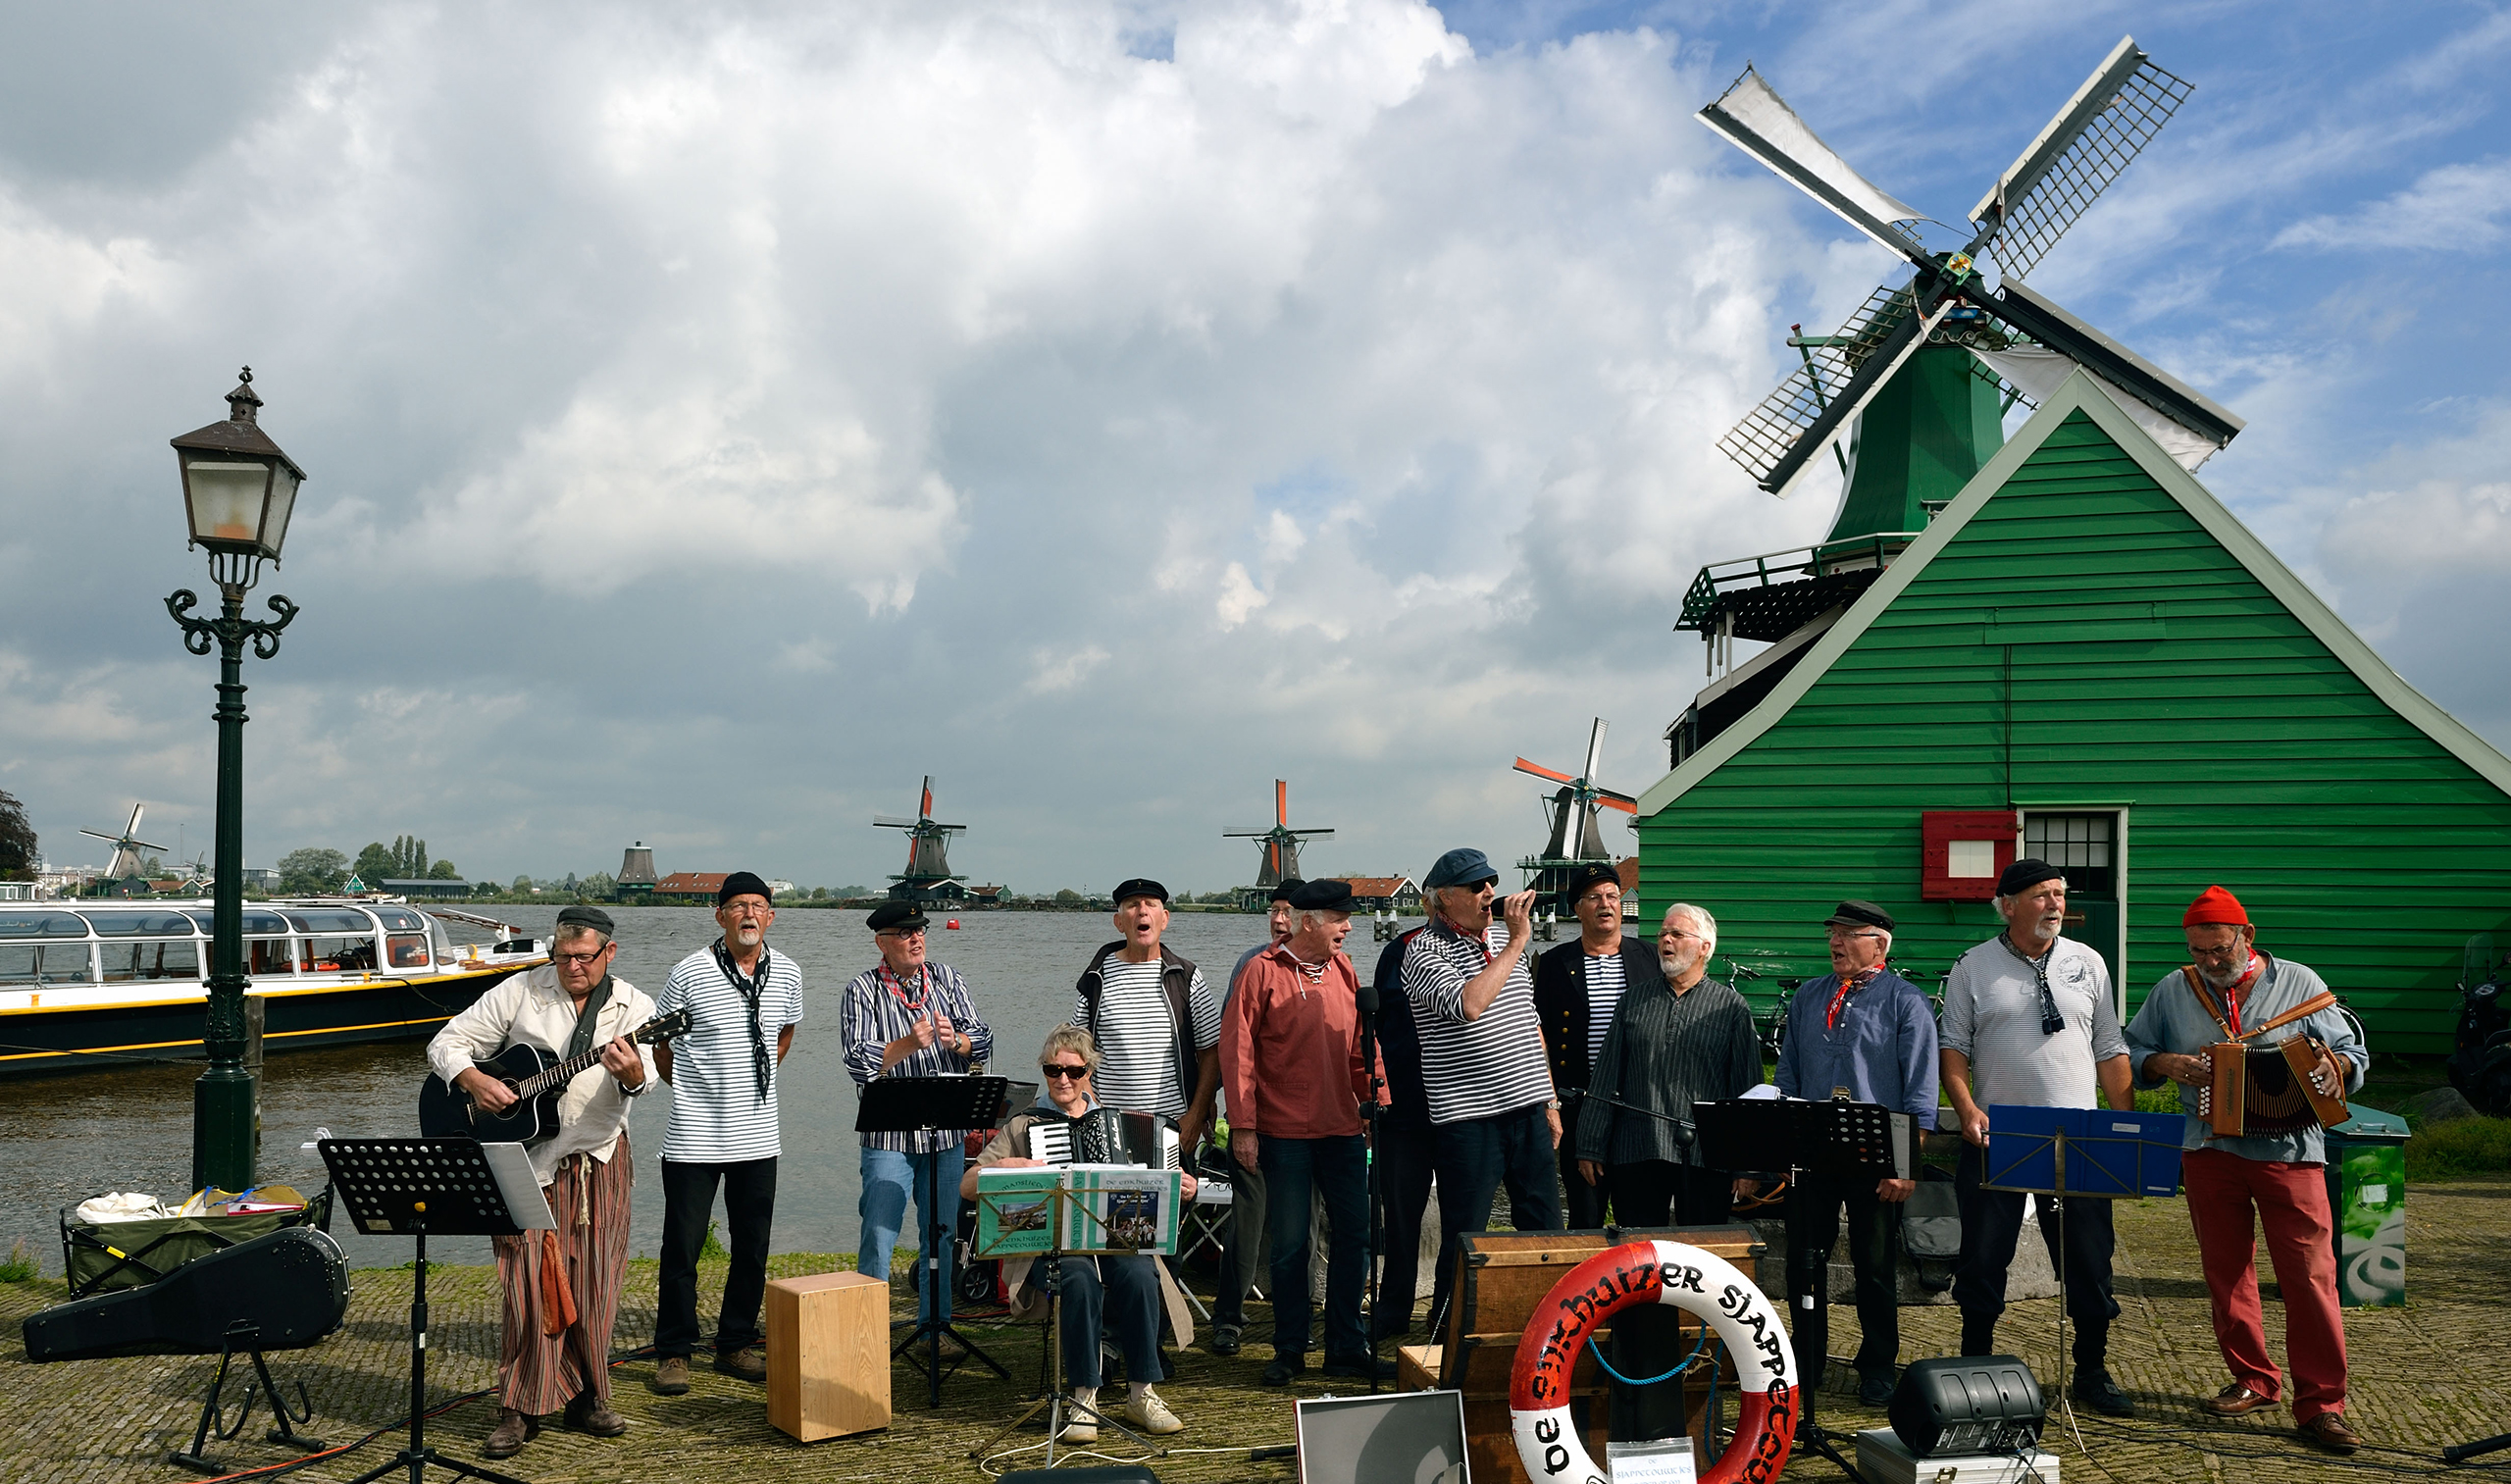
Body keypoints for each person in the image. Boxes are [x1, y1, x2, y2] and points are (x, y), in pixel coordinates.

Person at [2125, 887, 2367, 1456]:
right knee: (2226, 1271)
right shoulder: (2172, 989)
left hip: (2291, 1152)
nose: (2208, 962)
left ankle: (2322, 1404)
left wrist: (2337, 1072)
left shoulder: (2300, 984)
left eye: (2218, 949)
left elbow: (2352, 1054)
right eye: (2197, 951)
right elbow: (2131, 1047)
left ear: (2246, 936)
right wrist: (2165, 1063)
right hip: (2208, 1149)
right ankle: (2255, 1379)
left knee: (2310, 1277)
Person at [426, 905, 655, 1458]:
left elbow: (642, 1083)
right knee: (525, 1286)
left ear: (609, 953)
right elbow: (445, 1044)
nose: (572, 966)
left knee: (596, 1283)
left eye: (584, 957)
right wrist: (475, 1078)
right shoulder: (520, 990)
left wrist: (632, 1076)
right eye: (562, 956)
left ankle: (589, 1395)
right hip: (522, 1162)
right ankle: (519, 1406)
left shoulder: (636, 1006)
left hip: (596, 1159)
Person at [1939, 859, 2135, 1416]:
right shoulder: (1973, 967)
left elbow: (2109, 1046)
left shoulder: (2089, 962)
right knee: (1982, 1258)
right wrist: (1967, 1107)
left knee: (2091, 1261)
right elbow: (1952, 1047)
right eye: (2042, 895)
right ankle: (1972, 1362)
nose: (2055, 904)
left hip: (2079, 1136)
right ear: (2008, 904)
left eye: (2059, 894)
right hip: (1997, 1136)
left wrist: (2123, 1125)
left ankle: (2092, 1369)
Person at [963, 1026, 1194, 1442]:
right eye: (1053, 1070)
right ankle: (1084, 1398)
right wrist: (1011, 1167)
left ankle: (1142, 1393)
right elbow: (968, 1183)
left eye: (1073, 1070)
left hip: (1114, 1241)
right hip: (1049, 1248)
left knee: (1142, 1275)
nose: (1063, 1079)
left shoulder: (1119, 1123)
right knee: (1079, 1280)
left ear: (1090, 1071)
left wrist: (1181, 1185)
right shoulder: (1024, 1125)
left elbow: (1158, 1189)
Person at [1219, 880, 1390, 1384]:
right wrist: (1244, 1127)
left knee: (1355, 1236)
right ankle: (1290, 1348)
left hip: (1342, 1128)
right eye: (1340, 919)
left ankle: (1345, 1346)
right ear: (1310, 922)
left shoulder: (1344, 969)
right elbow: (1238, 1053)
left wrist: (1377, 1102)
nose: (1349, 927)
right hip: (1284, 1131)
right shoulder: (1260, 972)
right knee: (1292, 1243)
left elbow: (1363, 1043)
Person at [1771, 899, 1937, 1407]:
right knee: (1805, 1261)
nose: (1835, 943)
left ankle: (1879, 1364)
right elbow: (1787, 1075)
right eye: (1832, 934)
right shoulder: (1808, 997)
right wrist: (1786, 1146)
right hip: (1814, 1154)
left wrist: (1904, 1165)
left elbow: (1921, 1093)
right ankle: (1809, 1357)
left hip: (1876, 1157)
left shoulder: (1906, 1002)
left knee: (1875, 1265)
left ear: (1879, 943)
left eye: (1847, 934)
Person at [650, 871, 805, 1395]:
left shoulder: (787, 972)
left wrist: (749, 1085)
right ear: (719, 915)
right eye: (738, 905)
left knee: (752, 1247)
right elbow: (662, 1048)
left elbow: (784, 1033)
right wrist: (700, 1092)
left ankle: (735, 1343)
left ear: (770, 916)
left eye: (758, 905)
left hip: (760, 1139)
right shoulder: (688, 973)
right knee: (682, 1249)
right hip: (694, 1136)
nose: (748, 914)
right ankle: (674, 1351)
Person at [1402, 847, 1561, 1338]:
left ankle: (1552, 1329)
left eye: (1491, 882)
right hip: (1469, 1120)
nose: (1489, 892)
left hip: (1529, 1111)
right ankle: (1446, 1334)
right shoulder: (1422, 952)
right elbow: (1469, 1004)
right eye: (1476, 886)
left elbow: (1530, 1024)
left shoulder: (1498, 941)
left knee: (1546, 1230)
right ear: (1444, 899)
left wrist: (1550, 1100)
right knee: (1466, 1235)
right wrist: (1517, 945)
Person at [840, 898, 995, 1345]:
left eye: (921, 931)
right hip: (888, 1134)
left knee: (942, 1234)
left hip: (945, 1133)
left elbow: (982, 1039)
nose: (916, 939)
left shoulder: (947, 978)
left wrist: (959, 1041)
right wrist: (909, 1042)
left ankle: (935, 1327)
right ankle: (865, 1332)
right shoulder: (861, 990)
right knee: (880, 1231)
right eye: (906, 934)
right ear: (882, 942)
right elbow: (858, 1063)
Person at [1573, 901, 1762, 1227]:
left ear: (1704, 947)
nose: (1665, 941)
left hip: (1705, 1157)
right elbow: (1606, 1077)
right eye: (1662, 933)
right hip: (1637, 1149)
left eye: (1676, 933)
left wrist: (1748, 1166)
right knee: (1640, 1255)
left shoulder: (1730, 1007)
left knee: (1702, 1256)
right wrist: (1590, 1144)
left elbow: (1746, 1087)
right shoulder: (1634, 1000)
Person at [1209, 879, 1299, 1356]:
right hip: (1257, 1117)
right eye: (1275, 911)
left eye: (1288, 912)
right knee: (1247, 1220)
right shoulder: (1251, 963)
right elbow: (1232, 1042)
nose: (1279, 921)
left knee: (1301, 1222)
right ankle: (1228, 1318)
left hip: (1309, 1124)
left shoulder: (1335, 966)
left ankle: (1296, 1318)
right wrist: (1229, 1113)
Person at [1071, 878, 1222, 1156]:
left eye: (1151, 904)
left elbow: (1211, 1052)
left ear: (1163, 919)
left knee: (1172, 1201)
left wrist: (1196, 1116)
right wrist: (1090, 1107)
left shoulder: (1187, 977)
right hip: (1108, 1130)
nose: (1142, 911)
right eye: (1132, 905)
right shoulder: (1095, 980)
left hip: (1174, 1128)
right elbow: (1075, 1055)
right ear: (1119, 921)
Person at [1535, 863, 1646, 1228]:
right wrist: (1551, 1103)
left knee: (1638, 1213)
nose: (1606, 904)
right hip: (1580, 1104)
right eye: (1594, 897)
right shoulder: (1554, 964)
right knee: (1585, 1213)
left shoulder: (1648, 959)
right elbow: (1541, 1038)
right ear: (1577, 908)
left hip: (1637, 1107)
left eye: (1612, 896)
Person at [1369, 919, 1438, 1341]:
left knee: (1465, 1219)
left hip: (1464, 1108)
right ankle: (1394, 1308)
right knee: (1400, 1215)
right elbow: (1377, 1027)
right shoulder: (1401, 949)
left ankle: (1447, 1309)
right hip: (1406, 1106)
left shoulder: (1489, 949)